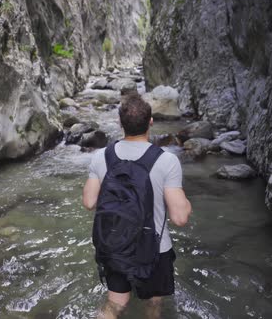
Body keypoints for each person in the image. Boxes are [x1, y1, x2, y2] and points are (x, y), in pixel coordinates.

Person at [82, 93, 192, 319]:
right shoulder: (167, 160)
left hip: (114, 244)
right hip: (154, 249)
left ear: (120, 123)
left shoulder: (102, 156)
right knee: (153, 304)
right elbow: (180, 218)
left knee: (115, 304)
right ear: (151, 122)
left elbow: (89, 202)